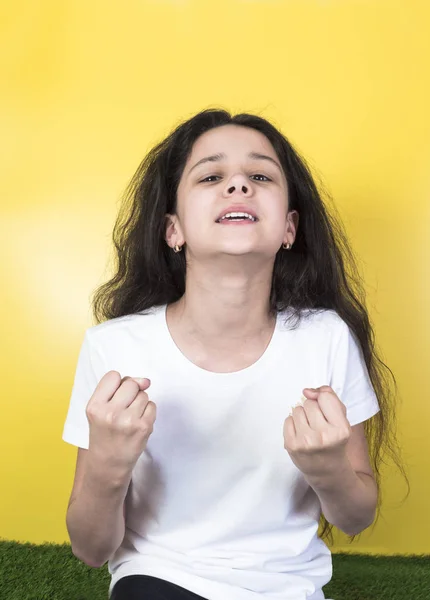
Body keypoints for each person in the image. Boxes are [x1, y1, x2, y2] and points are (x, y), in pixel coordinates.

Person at [62, 108, 407, 600]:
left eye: (260, 175)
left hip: (288, 587)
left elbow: (356, 516)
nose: (239, 186)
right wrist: (108, 467)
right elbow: (92, 549)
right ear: (173, 229)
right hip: (159, 579)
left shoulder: (326, 338)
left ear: (289, 228)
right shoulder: (113, 347)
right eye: (212, 175)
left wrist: (329, 467)